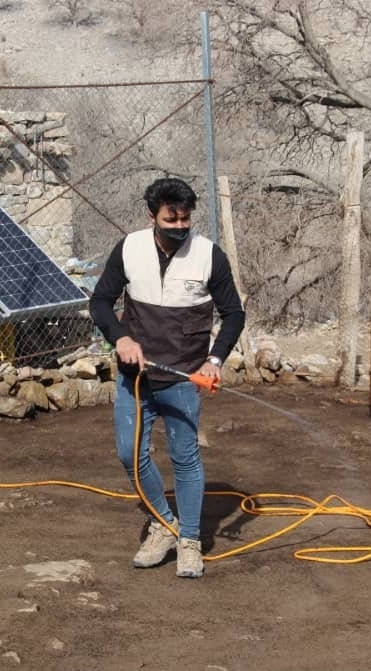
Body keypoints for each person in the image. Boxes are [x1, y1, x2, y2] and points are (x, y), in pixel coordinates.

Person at [89, 177, 246, 578]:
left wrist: (214, 360)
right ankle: (165, 524)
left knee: (185, 457)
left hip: (183, 377)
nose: (179, 226)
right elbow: (101, 301)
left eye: (185, 219)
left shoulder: (210, 256)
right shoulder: (130, 248)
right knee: (130, 455)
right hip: (135, 378)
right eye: (170, 219)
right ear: (152, 216)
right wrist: (121, 337)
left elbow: (234, 314)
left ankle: (190, 540)